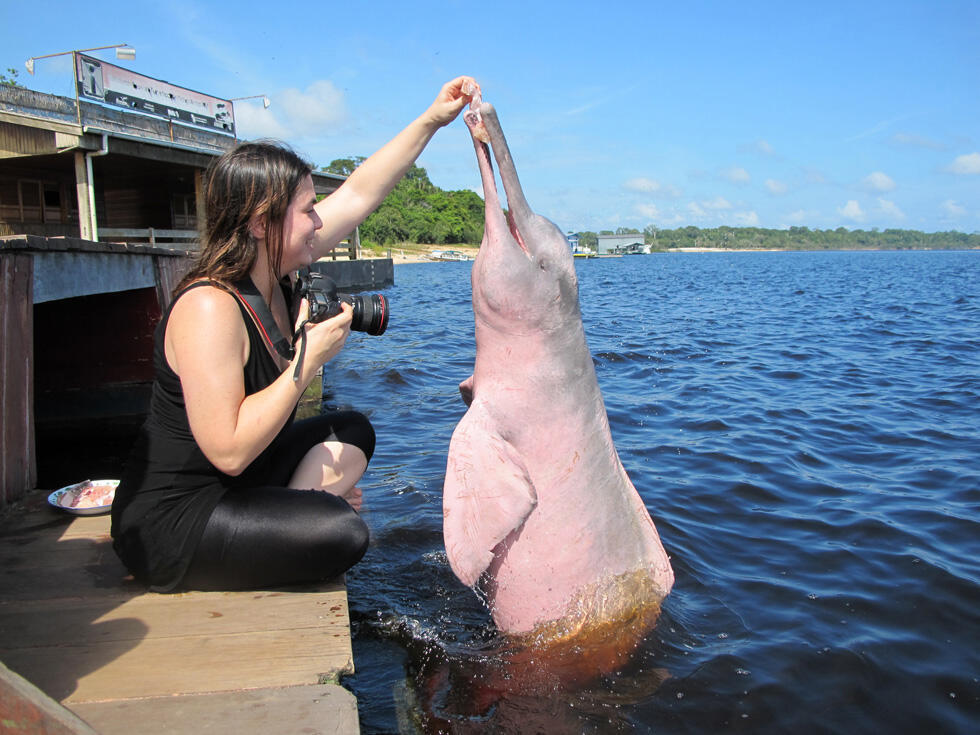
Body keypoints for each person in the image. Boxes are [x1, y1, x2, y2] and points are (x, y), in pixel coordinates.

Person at [111, 76, 480, 592]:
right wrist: (307, 359)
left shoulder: (276, 275)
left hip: (239, 486)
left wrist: (431, 119)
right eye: (307, 209)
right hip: (175, 520)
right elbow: (230, 451)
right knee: (342, 534)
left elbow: (357, 194)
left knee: (352, 430)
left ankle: (286, 516)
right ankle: (291, 521)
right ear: (263, 222)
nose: (316, 221)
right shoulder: (210, 308)